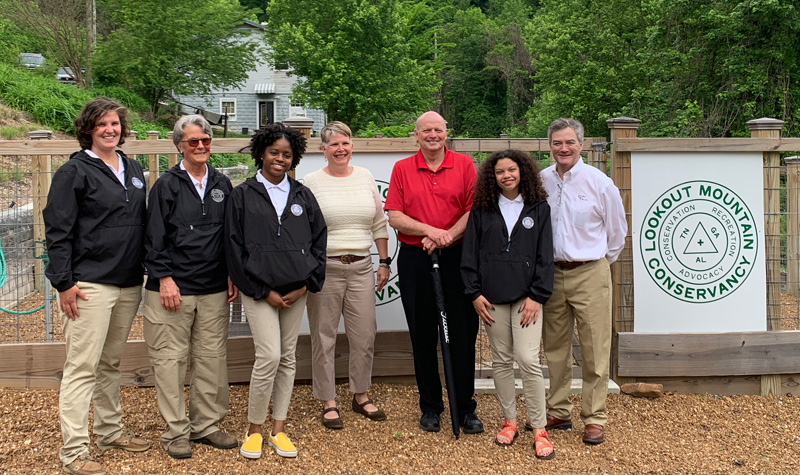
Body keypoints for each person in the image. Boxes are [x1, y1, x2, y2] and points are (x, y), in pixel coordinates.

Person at [44, 97, 150, 475]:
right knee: (81, 367)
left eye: (115, 124)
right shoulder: (74, 172)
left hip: (127, 282)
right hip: (89, 285)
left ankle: (109, 430)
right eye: (102, 124)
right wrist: (64, 283)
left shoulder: (133, 168)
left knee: (110, 362)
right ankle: (73, 452)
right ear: (88, 128)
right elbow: (58, 231)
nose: (110, 129)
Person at [224, 123, 326, 459]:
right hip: (260, 292)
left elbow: (318, 241)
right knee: (268, 355)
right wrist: (260, 290)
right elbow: (233, 247)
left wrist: (305, 286)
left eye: (286, 154)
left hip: (296, 291)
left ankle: (278, 429)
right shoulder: (242, 195)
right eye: (274, 153)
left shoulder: (302, 195)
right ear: (261, 154)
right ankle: (254, 429)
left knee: (287, 358)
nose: (280, 159)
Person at [142, 115, 239, 459]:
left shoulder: (222, 183)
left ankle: (206, 425)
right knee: (170, 360)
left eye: (206, 141)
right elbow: (153, 237)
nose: (200, 147)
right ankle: (175, 431)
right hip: (172, 288)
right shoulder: (166, 185)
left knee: (212, 358)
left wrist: (231, 273)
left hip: (213, 287)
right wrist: (164, 278)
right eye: (193, 142)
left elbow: (230, 234)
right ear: (179, 145)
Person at [384, 111, 482, 434]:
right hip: (416, 259)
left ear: (446, 133)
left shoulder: (465, 165)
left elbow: (474, 210)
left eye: (438, 129)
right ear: (416, 135)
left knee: (462, 334)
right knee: (423, 336)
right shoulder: (402, 169)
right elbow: (395, 216)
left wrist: (448, 235)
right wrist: (431, 231)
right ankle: (431, 407)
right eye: (426, 130)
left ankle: (465, 407)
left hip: (457, 258)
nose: (432, 135)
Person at [461, 150, 555, 459]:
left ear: (522, 171)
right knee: (500, 360)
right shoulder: (482, 208)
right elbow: (470, 255)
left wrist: (537, 295)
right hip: (491, 299)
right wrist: (474, 293)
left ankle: (539, 427)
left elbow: (545, 255)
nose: (506, 175)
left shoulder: (538, 208)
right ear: (493, 176)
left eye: (511, 170)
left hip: (526, 299)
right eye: (500, 171)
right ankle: (510, 421)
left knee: (528, 359)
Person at [539, 118, 627, 445]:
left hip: (590, 271)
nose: (563, 148)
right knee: (556, 349)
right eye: (557, 143)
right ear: (550, 146)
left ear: (581, 144)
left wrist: (598, 262)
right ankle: (558, 411)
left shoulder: (600, 184)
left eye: (569, 142)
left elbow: (617, 234)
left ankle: (594, 417)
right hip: (551, 273)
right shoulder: (540, 182)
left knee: (594, 347)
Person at [303, 121, 390, 429]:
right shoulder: (311, 182)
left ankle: (360, 394)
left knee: (364, 335)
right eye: (334, 144)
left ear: (352, 145)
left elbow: (379, 223)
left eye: (345, 143)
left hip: (362, 266)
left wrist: (384, 261)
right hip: (326, 267)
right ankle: (328, 400)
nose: (341, 149)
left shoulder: (365, 177)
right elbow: (304, 229)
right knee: (324, 337)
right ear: (323, 149)